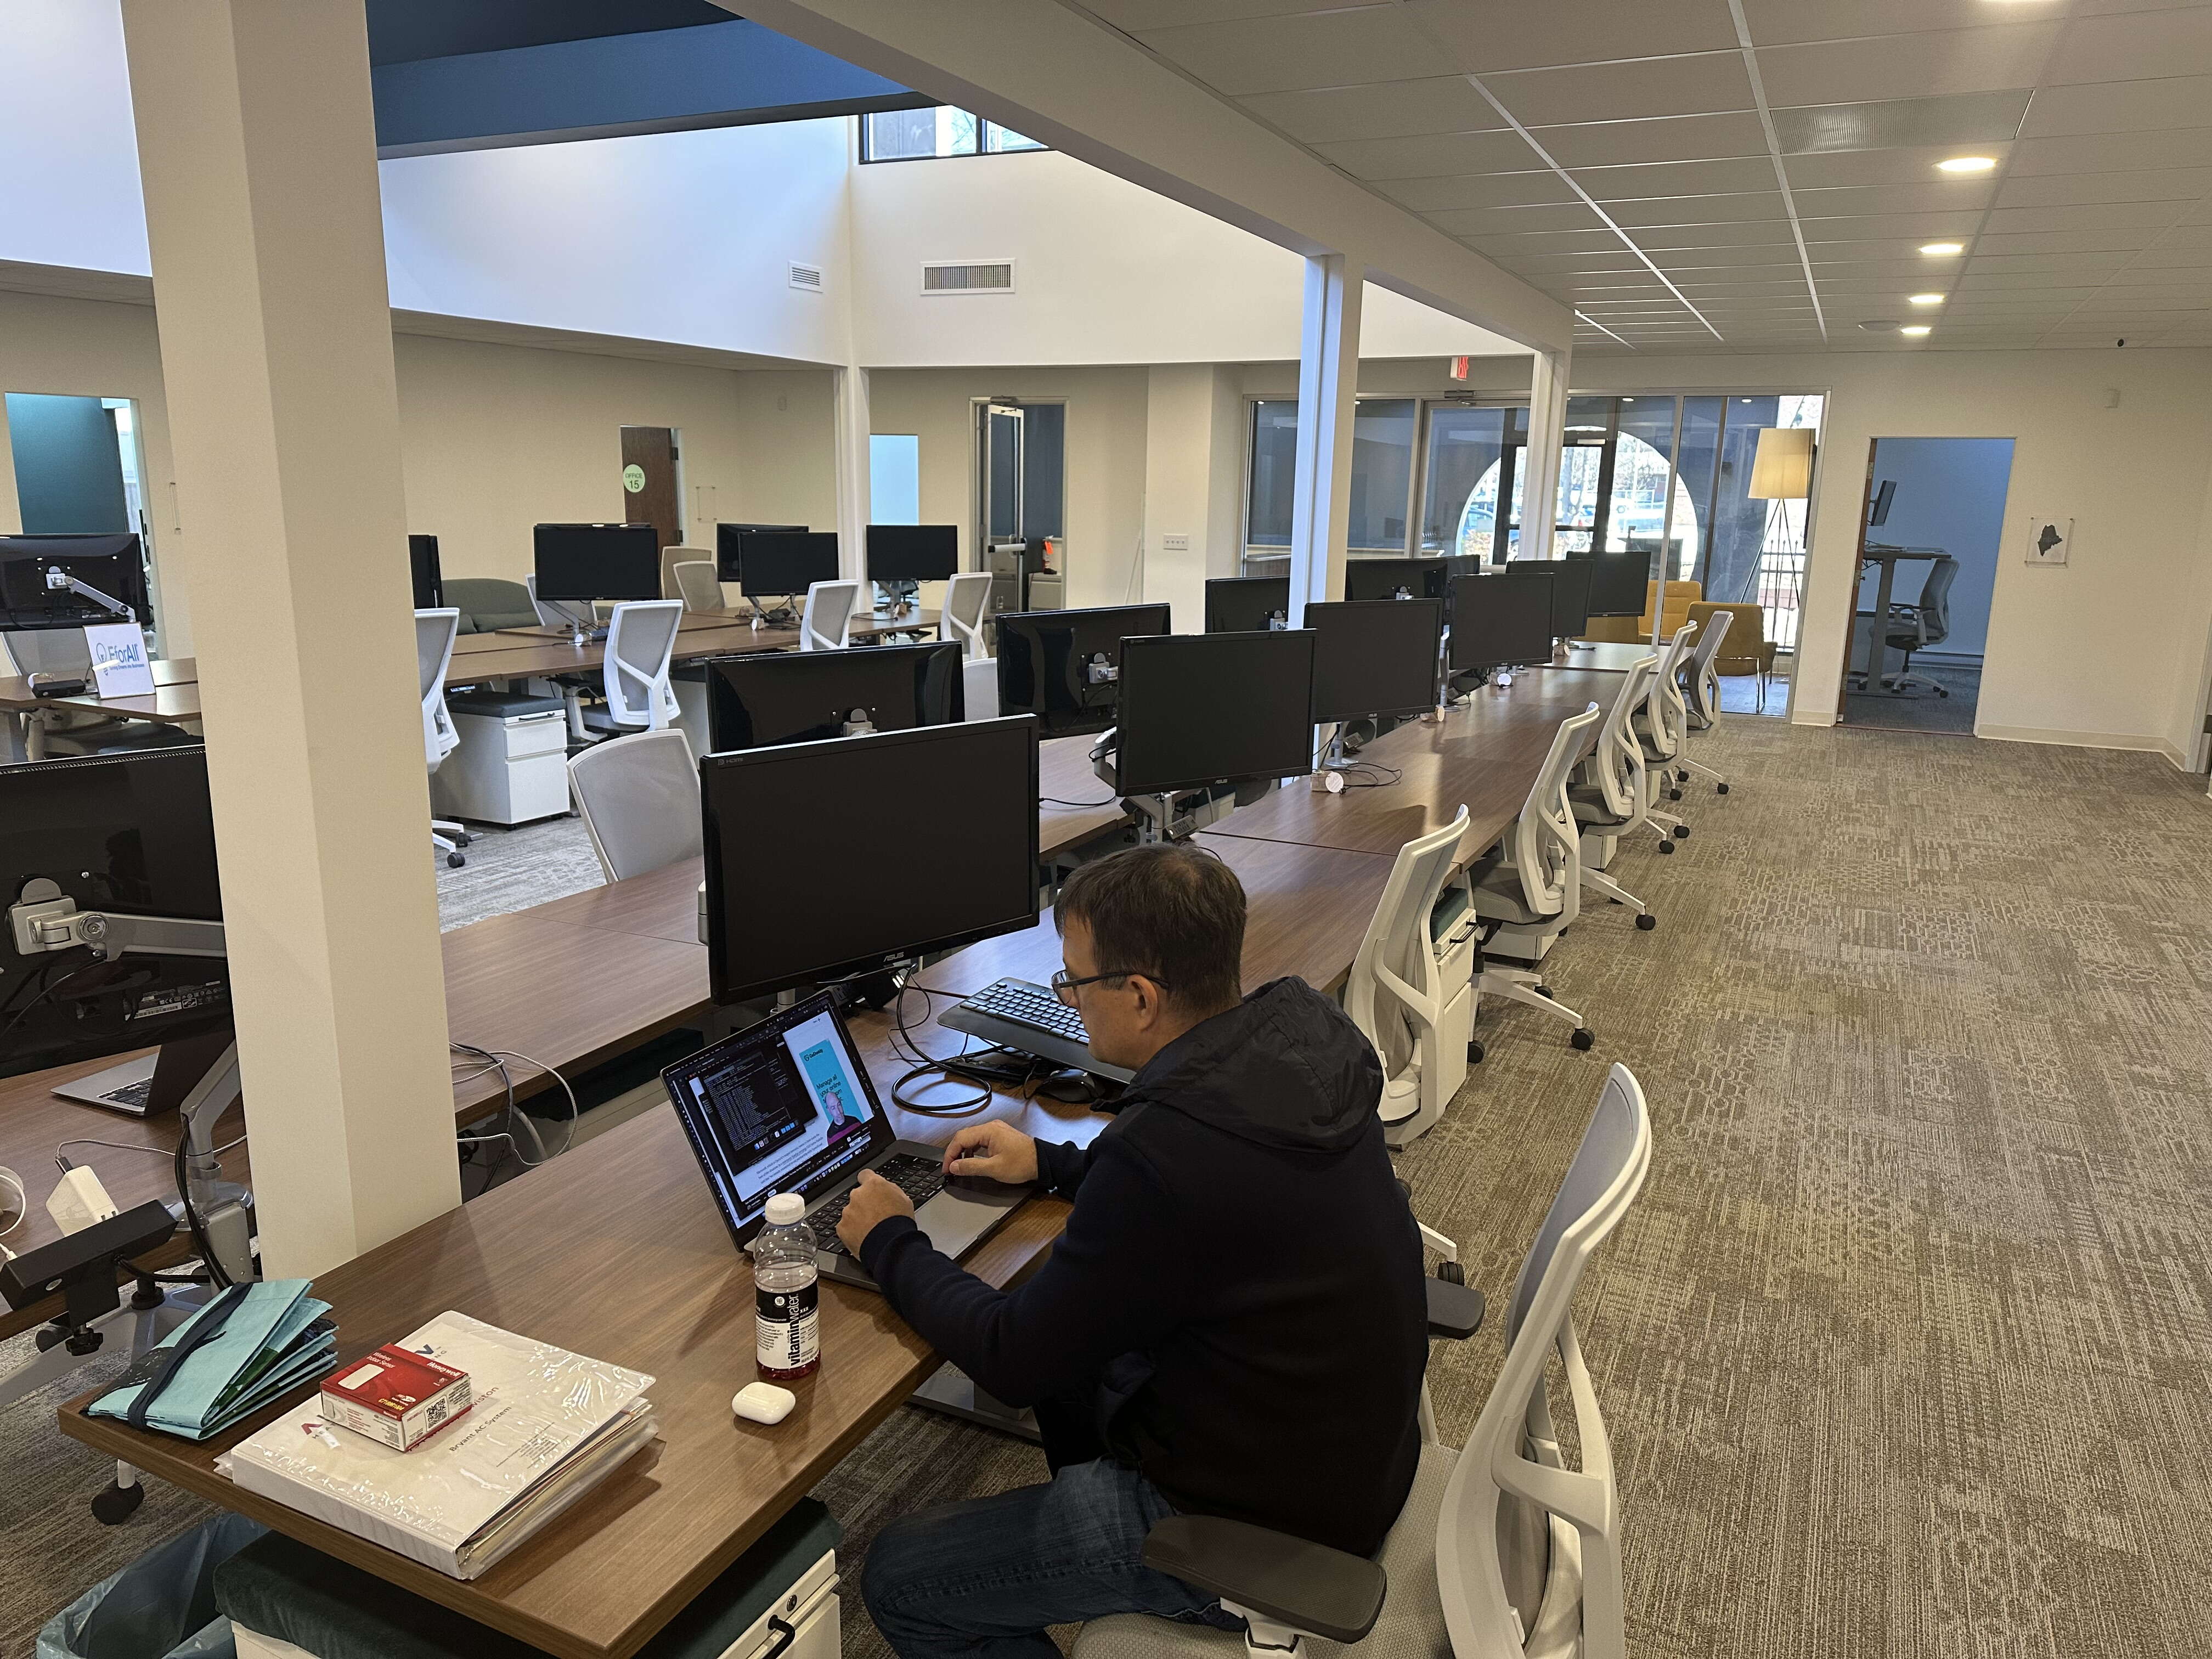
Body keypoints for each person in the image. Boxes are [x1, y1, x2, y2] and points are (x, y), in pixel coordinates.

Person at [834, 842, 1429, 1659]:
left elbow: (1010, 1359)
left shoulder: (1167, 1152)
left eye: (1074, 981)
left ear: (1141, 997)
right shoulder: (1299, 1032)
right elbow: (1213, 1199)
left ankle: (1124, 1565)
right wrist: (1051, 1163)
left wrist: (891, 1240)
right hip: (1348, 1452)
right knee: (1078, 1362)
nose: (1067, 999)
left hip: (1253, 1529)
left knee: (902, 1577)